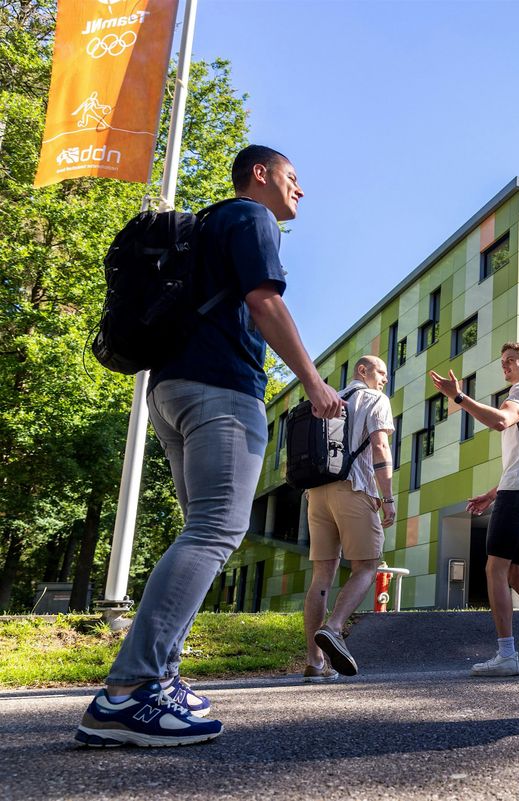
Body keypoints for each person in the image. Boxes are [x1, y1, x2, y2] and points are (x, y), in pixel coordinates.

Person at [76, 145, 344, 747]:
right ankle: (130, 691)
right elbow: (264, 300)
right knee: (216, 530)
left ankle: (159, 681)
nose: (300, 192)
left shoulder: (205, 226)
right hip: (221, 391)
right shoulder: (251, 217)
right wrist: (313, 381)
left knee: (202, 530)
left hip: (170, 393)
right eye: (293, 178)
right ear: (261, 174)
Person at [429, 342, 519, 677]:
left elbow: (501, 421)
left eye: (512, 361)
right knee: (518, 574)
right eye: (503, 362)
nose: (506, 367)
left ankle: (506, 654)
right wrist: (494, 493)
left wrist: (459, 398)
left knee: (495, 570)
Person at [303, 355, 395, 682]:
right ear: (363, 370)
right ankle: (335, 628)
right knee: (367, 566)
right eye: (380, 371)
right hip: (354, 488)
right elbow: (380, 447)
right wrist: (388, 497)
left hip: (317, 492)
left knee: (321, 574)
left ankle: (315, 662)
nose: (385, 378)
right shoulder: (375, 399)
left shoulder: (331, 399)